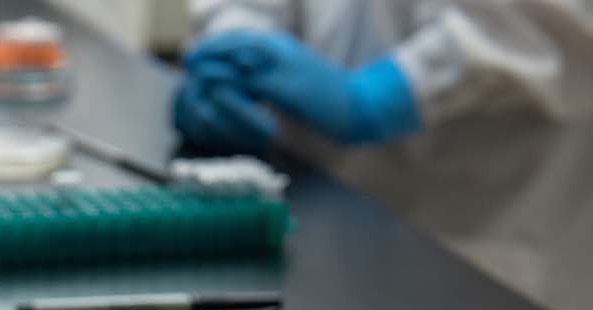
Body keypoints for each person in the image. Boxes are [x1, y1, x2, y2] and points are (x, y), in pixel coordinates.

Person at [175, 0, 593, 152]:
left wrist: (399, 90)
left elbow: (562, 22)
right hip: (317, 201)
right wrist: (234, 40)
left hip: (493, 235)